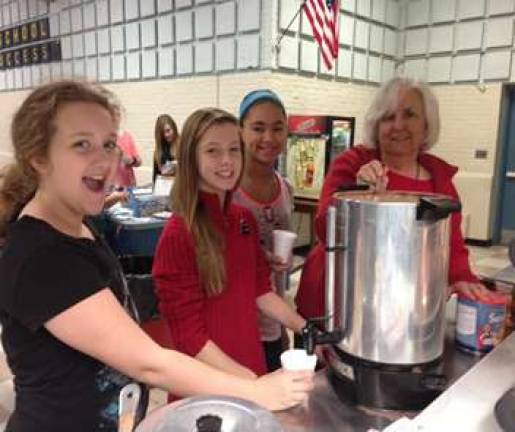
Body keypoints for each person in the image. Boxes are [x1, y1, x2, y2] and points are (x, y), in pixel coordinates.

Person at [0, 81, 313, 432]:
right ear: (38, 157)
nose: (103, 160)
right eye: (81, 144)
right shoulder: (41, 257)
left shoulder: (78, 227)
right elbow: (150, 363)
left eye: (108, 144)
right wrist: (254, 388)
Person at [295, 77, 491, 322]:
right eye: (388, 117)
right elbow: (326, 229)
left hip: (399, 305)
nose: (398, 125)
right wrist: (359, 196)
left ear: (427, 125)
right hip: (336, 300)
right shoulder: (352, 164)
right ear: (376, 125)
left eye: (409, 114)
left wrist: (464, 279)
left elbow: (452, 245)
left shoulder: (440, 182)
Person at [152, 108, 309, 388]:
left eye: (234, 150)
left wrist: (305, 328)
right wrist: (251, 384)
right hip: (209, 383)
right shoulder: (179, 234)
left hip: (252, 366)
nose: (227, 161)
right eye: (213, 151)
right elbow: (189, 336)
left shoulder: (242, 220)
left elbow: (261, 290)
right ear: (191, 158)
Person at [232, 89, 294, 371]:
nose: (268, 138)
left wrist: (283, 328)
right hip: (236, 328)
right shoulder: (227, 190)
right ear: (240, 130)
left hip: (273, 323)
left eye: (277, 129)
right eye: (258, 128)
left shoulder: (285, 189)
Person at [113, 105, 142, 188]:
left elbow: (138, 161)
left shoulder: (127, 136)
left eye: (118, 114)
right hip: (112, 186)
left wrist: (132, 161)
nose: (116, 118)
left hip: (129, 184)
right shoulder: (105, 137)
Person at [153, 114, 179, 182]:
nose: (166, 135)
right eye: (162, 133)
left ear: (174, 127)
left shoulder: (183, 145)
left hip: (181, 186)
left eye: (168, 130)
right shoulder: (159, 150)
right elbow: (155, 176)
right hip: (165, 187)